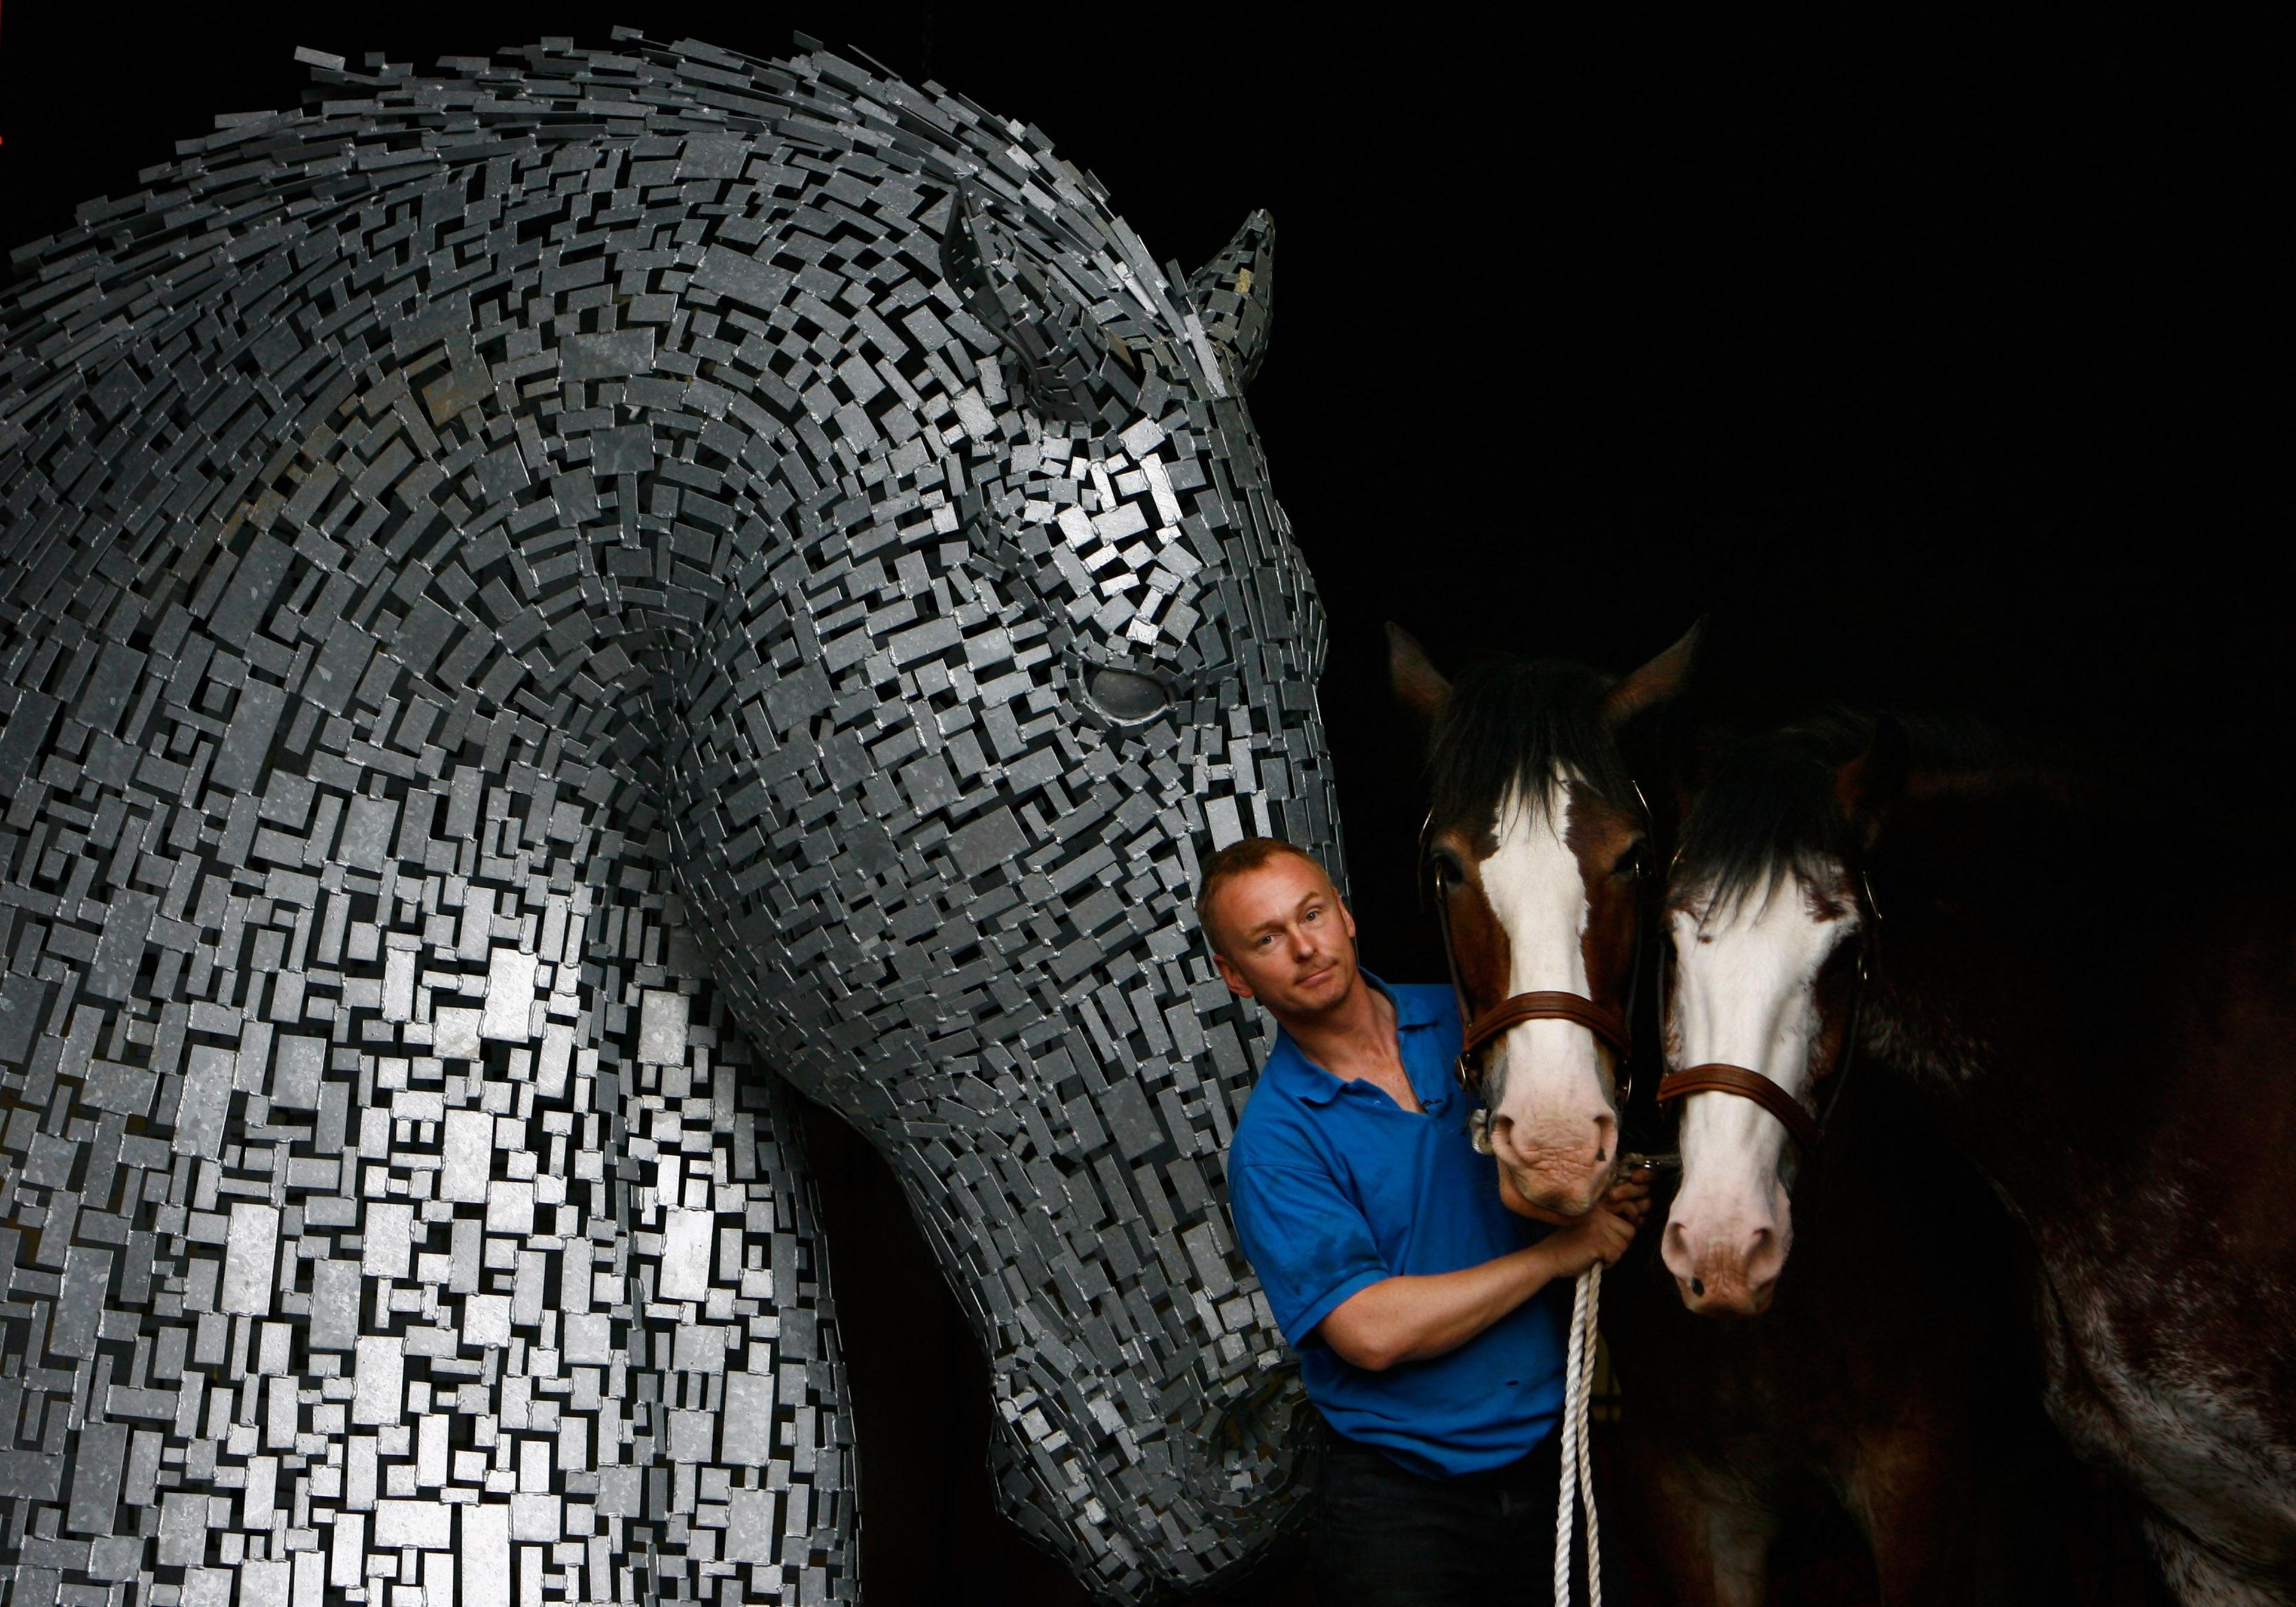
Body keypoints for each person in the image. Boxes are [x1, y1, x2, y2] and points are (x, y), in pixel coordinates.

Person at [1205, 836, 1648, 1606]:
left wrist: (1605, 1191)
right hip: (1402, 1504)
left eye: (1312, 914)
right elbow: (1369, 1333)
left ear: (1346, 915)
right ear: (1237, 978)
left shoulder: (1472, 1023)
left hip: (1556, 1460)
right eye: (1268, 939)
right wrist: (1559, 1255)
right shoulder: (1275, 1146)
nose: (1305, 947)